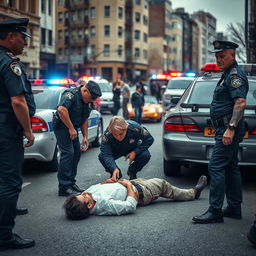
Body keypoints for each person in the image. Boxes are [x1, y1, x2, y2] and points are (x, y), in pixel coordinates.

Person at [192, 40, 248, 224]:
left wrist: (230, 129)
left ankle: (215, 210)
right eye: (217, 56)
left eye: (222, 56)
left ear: (233, 55)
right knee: (231, 166)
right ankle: (233, 207)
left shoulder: (234, 75)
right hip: (224, 127)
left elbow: (240, 102)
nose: (219, 59)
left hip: (228, 128)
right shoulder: (226, 74)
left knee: (215, 166)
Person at [0, 18, 36, 250]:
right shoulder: (9, 63)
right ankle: (4, 235)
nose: (25, 43)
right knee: (10, 182)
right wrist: (27, 130)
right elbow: (18, 101)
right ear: (11, 36)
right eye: (23, 37)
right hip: (6, 132)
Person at [63, 175, 207, 219]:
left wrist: (107, 182)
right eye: (84, 196)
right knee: (163, 185)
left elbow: (97, 188)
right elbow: (130, 206)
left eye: (81, 193)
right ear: (90, 206)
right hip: (141, 192)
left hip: (131, 183)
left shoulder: (88, 197)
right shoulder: (105, 205)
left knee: (149, 180)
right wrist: (129, 186)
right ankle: (193, 193)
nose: (85, 192)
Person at [52, 80, 102, 197]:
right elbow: (61, 110)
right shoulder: (71, 94)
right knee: (68, 153)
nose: (91, 100)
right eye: (90, 97)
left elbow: (84, 118)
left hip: (72, 128)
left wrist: (85, 136)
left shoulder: (86, 100)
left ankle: (71, 183)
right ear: (85, 90)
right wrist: (70, 128)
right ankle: (64, 187)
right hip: (62, 127)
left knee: (76, 153)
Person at [98, 116, 154, 180]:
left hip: (132, 147)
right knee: (101, 156)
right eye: (115, 134)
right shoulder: (107, 134)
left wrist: (135, 152)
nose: (118, 137)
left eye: (121, 134)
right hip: (115, 149)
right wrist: (113, 168)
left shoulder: (135, 128)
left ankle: (132, 171)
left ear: (126, 128)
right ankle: (116, 173)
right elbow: (106, 154)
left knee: (145, 155)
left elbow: (149, 139)